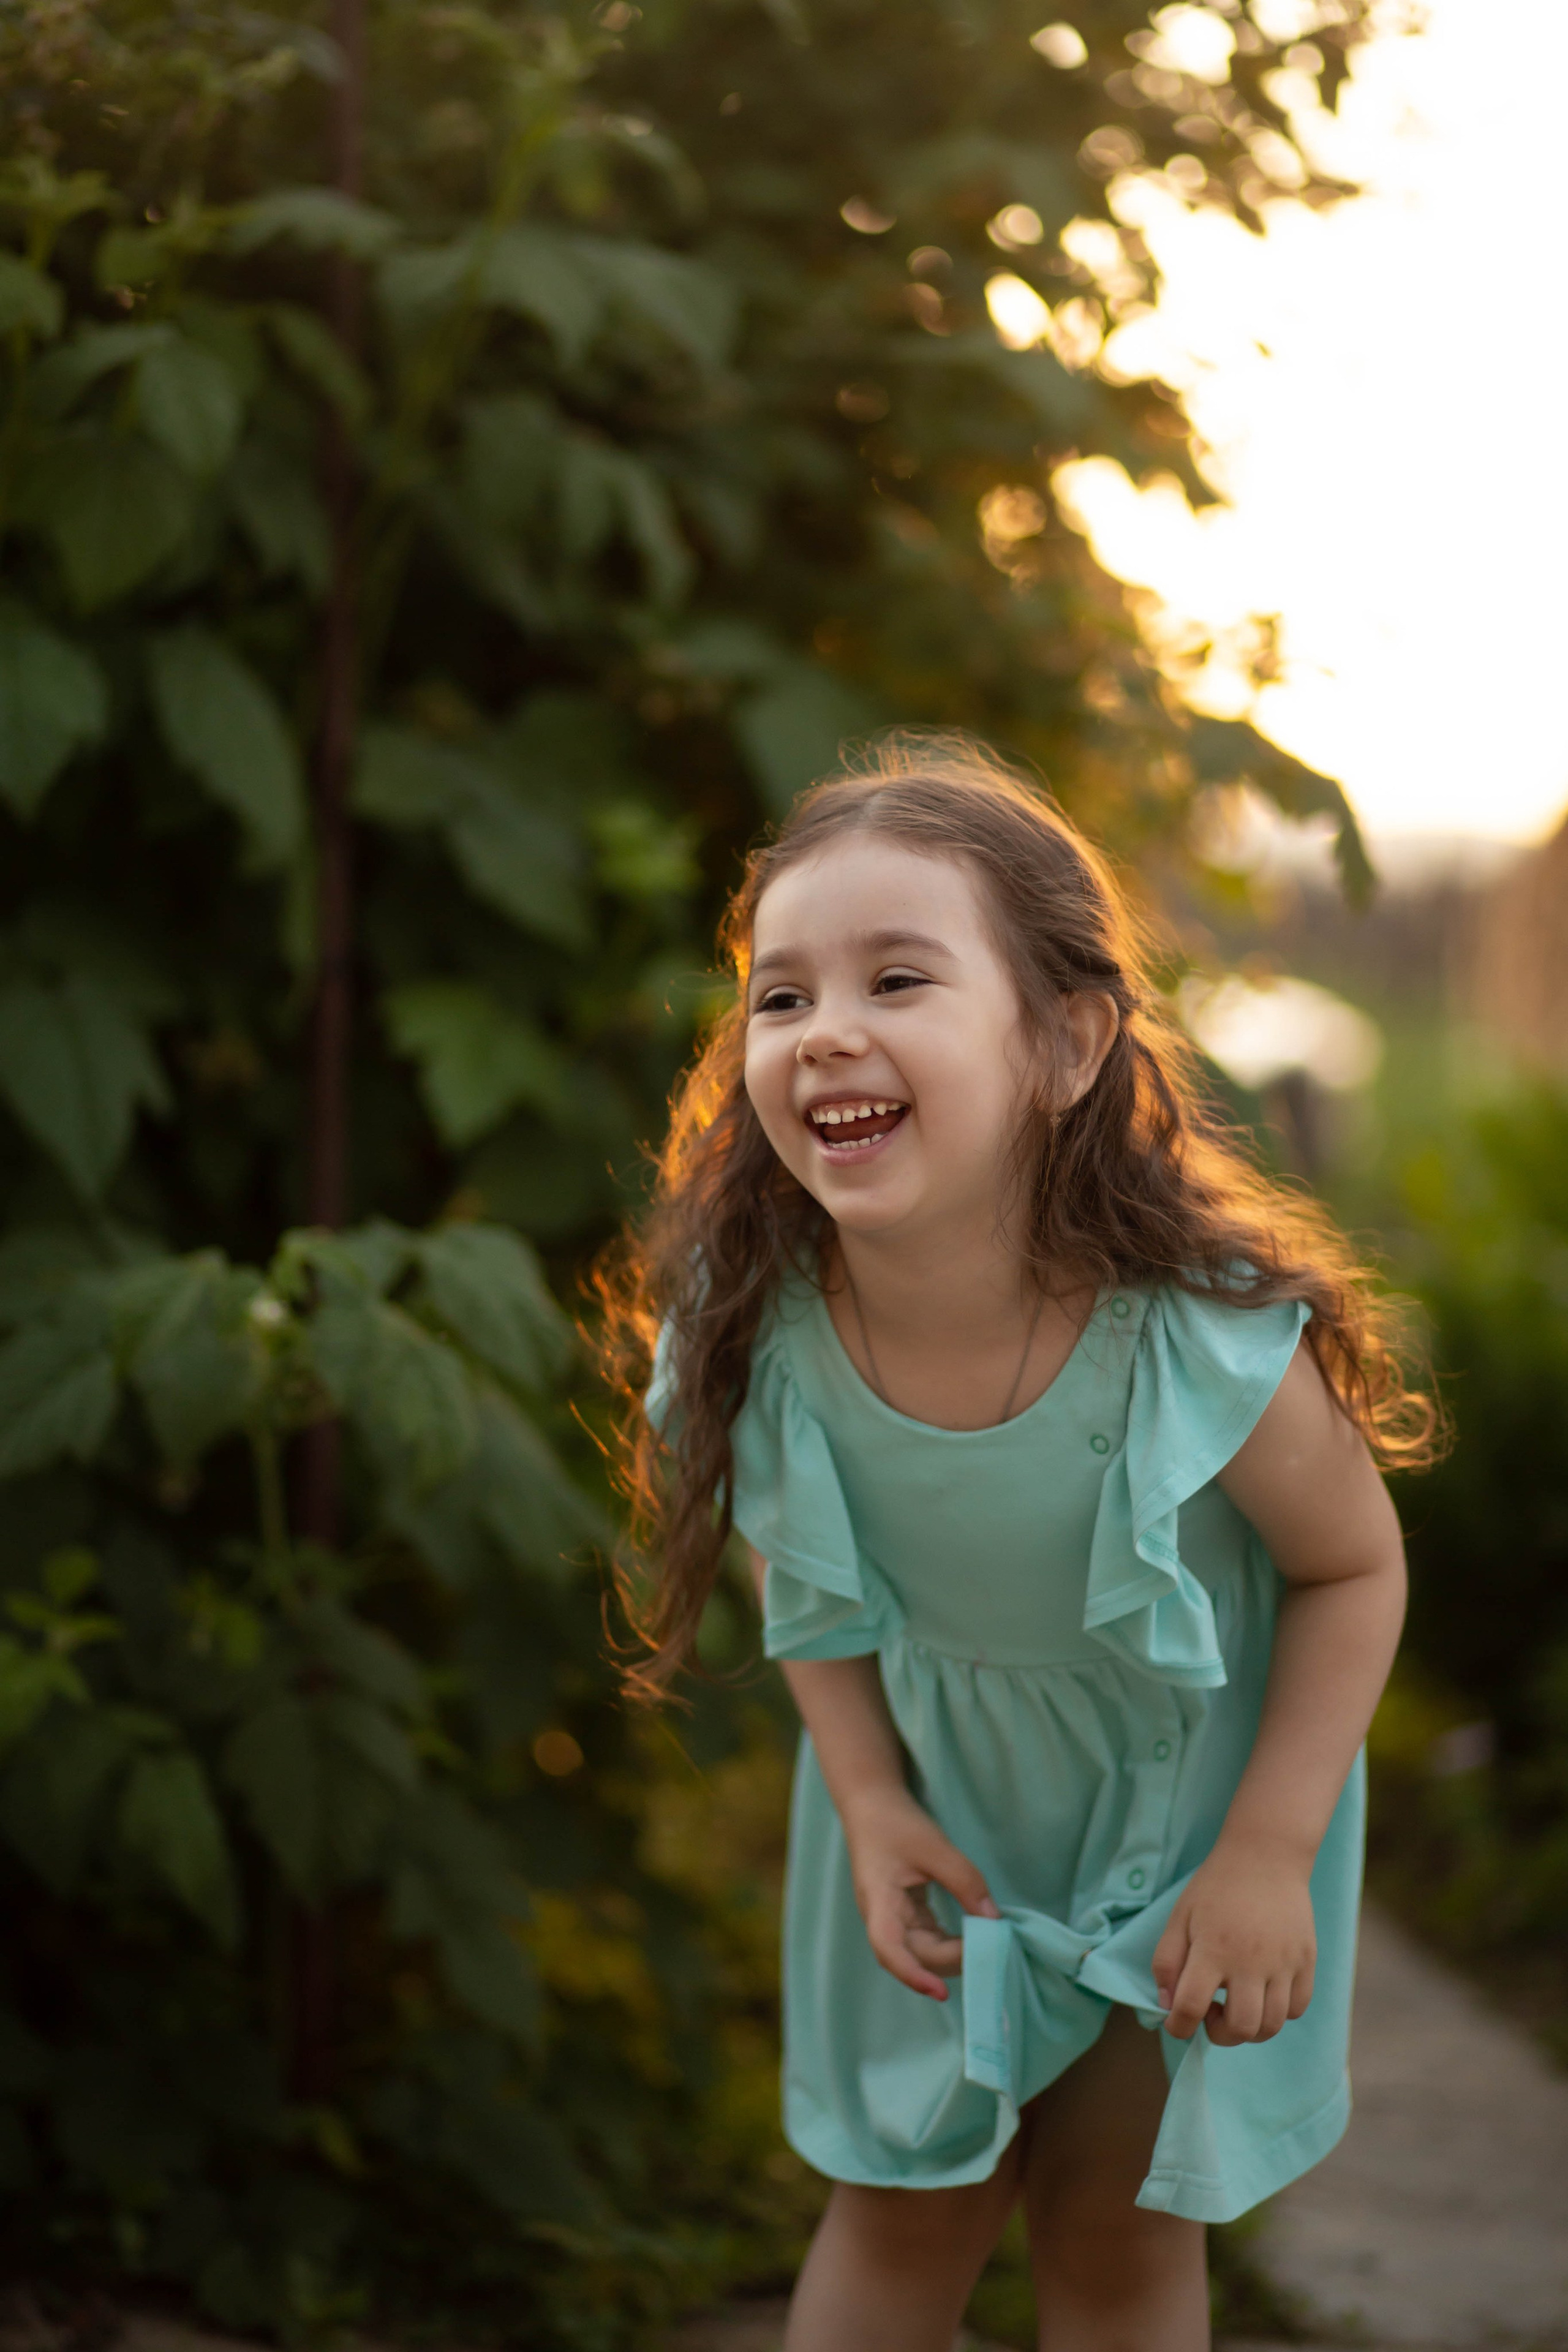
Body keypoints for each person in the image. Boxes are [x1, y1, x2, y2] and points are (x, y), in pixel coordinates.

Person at [599, 734, 1438, 2351]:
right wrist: (864, 1795)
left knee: (1112, 2234)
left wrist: (1267, 1848)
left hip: (1185, 1832)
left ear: (1064, 1043)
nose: (825, 1029)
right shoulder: (757, 1335)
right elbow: (805, 1570)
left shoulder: (1194, 1347)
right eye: (780, 997)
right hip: (943, 1830)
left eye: (897, 979)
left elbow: (1355, 1568)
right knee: (900, 2211)